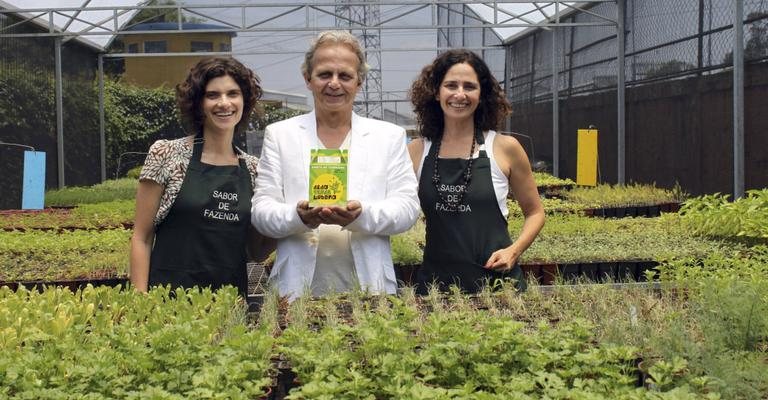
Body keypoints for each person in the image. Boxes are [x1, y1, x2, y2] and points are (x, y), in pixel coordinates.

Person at [251, 30, 419, 300]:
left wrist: (361, 215)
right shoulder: (280, 135)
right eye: (324, 74)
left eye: (345, 76)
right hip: (295, 293)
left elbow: (407, 209)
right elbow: (261, 211)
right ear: (308, 79)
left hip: (369, 289)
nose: (334, 84)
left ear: (359, 82)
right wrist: (298, 217)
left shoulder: (388, 137)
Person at [130, 57, 273, 295]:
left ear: (244, 101)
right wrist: (140, 302)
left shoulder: (254, 170)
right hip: (165, 305)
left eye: (233, 93)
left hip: (229, 308)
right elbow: (141, 238)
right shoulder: (166, 154)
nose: (224, 103)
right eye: (213, 95)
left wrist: (296, 220)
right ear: (198, 103)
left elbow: (256, 252)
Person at [408, 49, 545, 294]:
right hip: (436, 288)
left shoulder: (505, 148)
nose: (459, 94)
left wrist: (513, 251)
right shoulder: (418, 151)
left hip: (498, 285)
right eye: (451, 85)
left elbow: (535, 212)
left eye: (469, 87)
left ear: (481, 96)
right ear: (436, 93)